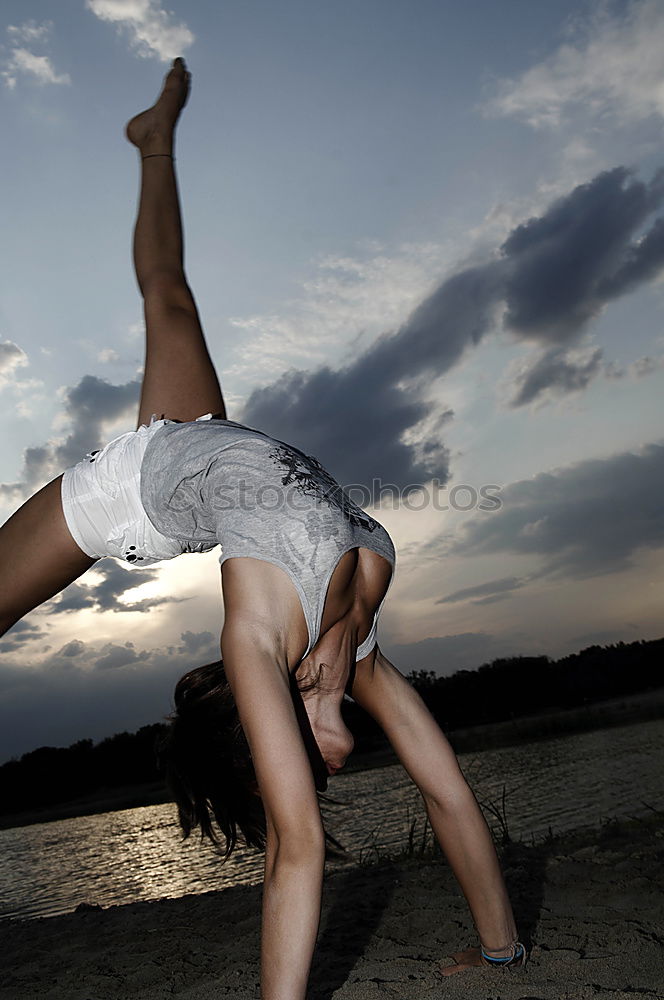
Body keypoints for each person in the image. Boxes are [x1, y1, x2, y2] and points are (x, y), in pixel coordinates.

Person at [0, 58, 526, 996]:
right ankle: (151, 145)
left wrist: (326, 635)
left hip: (130, 496)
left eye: (291, 772)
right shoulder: (353, 653)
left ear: (263, 736)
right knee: (169, 291)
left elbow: (297, 853)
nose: (319, 776)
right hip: (203, 445)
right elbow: (446, 791)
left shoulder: (255, 643)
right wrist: (501, 954)